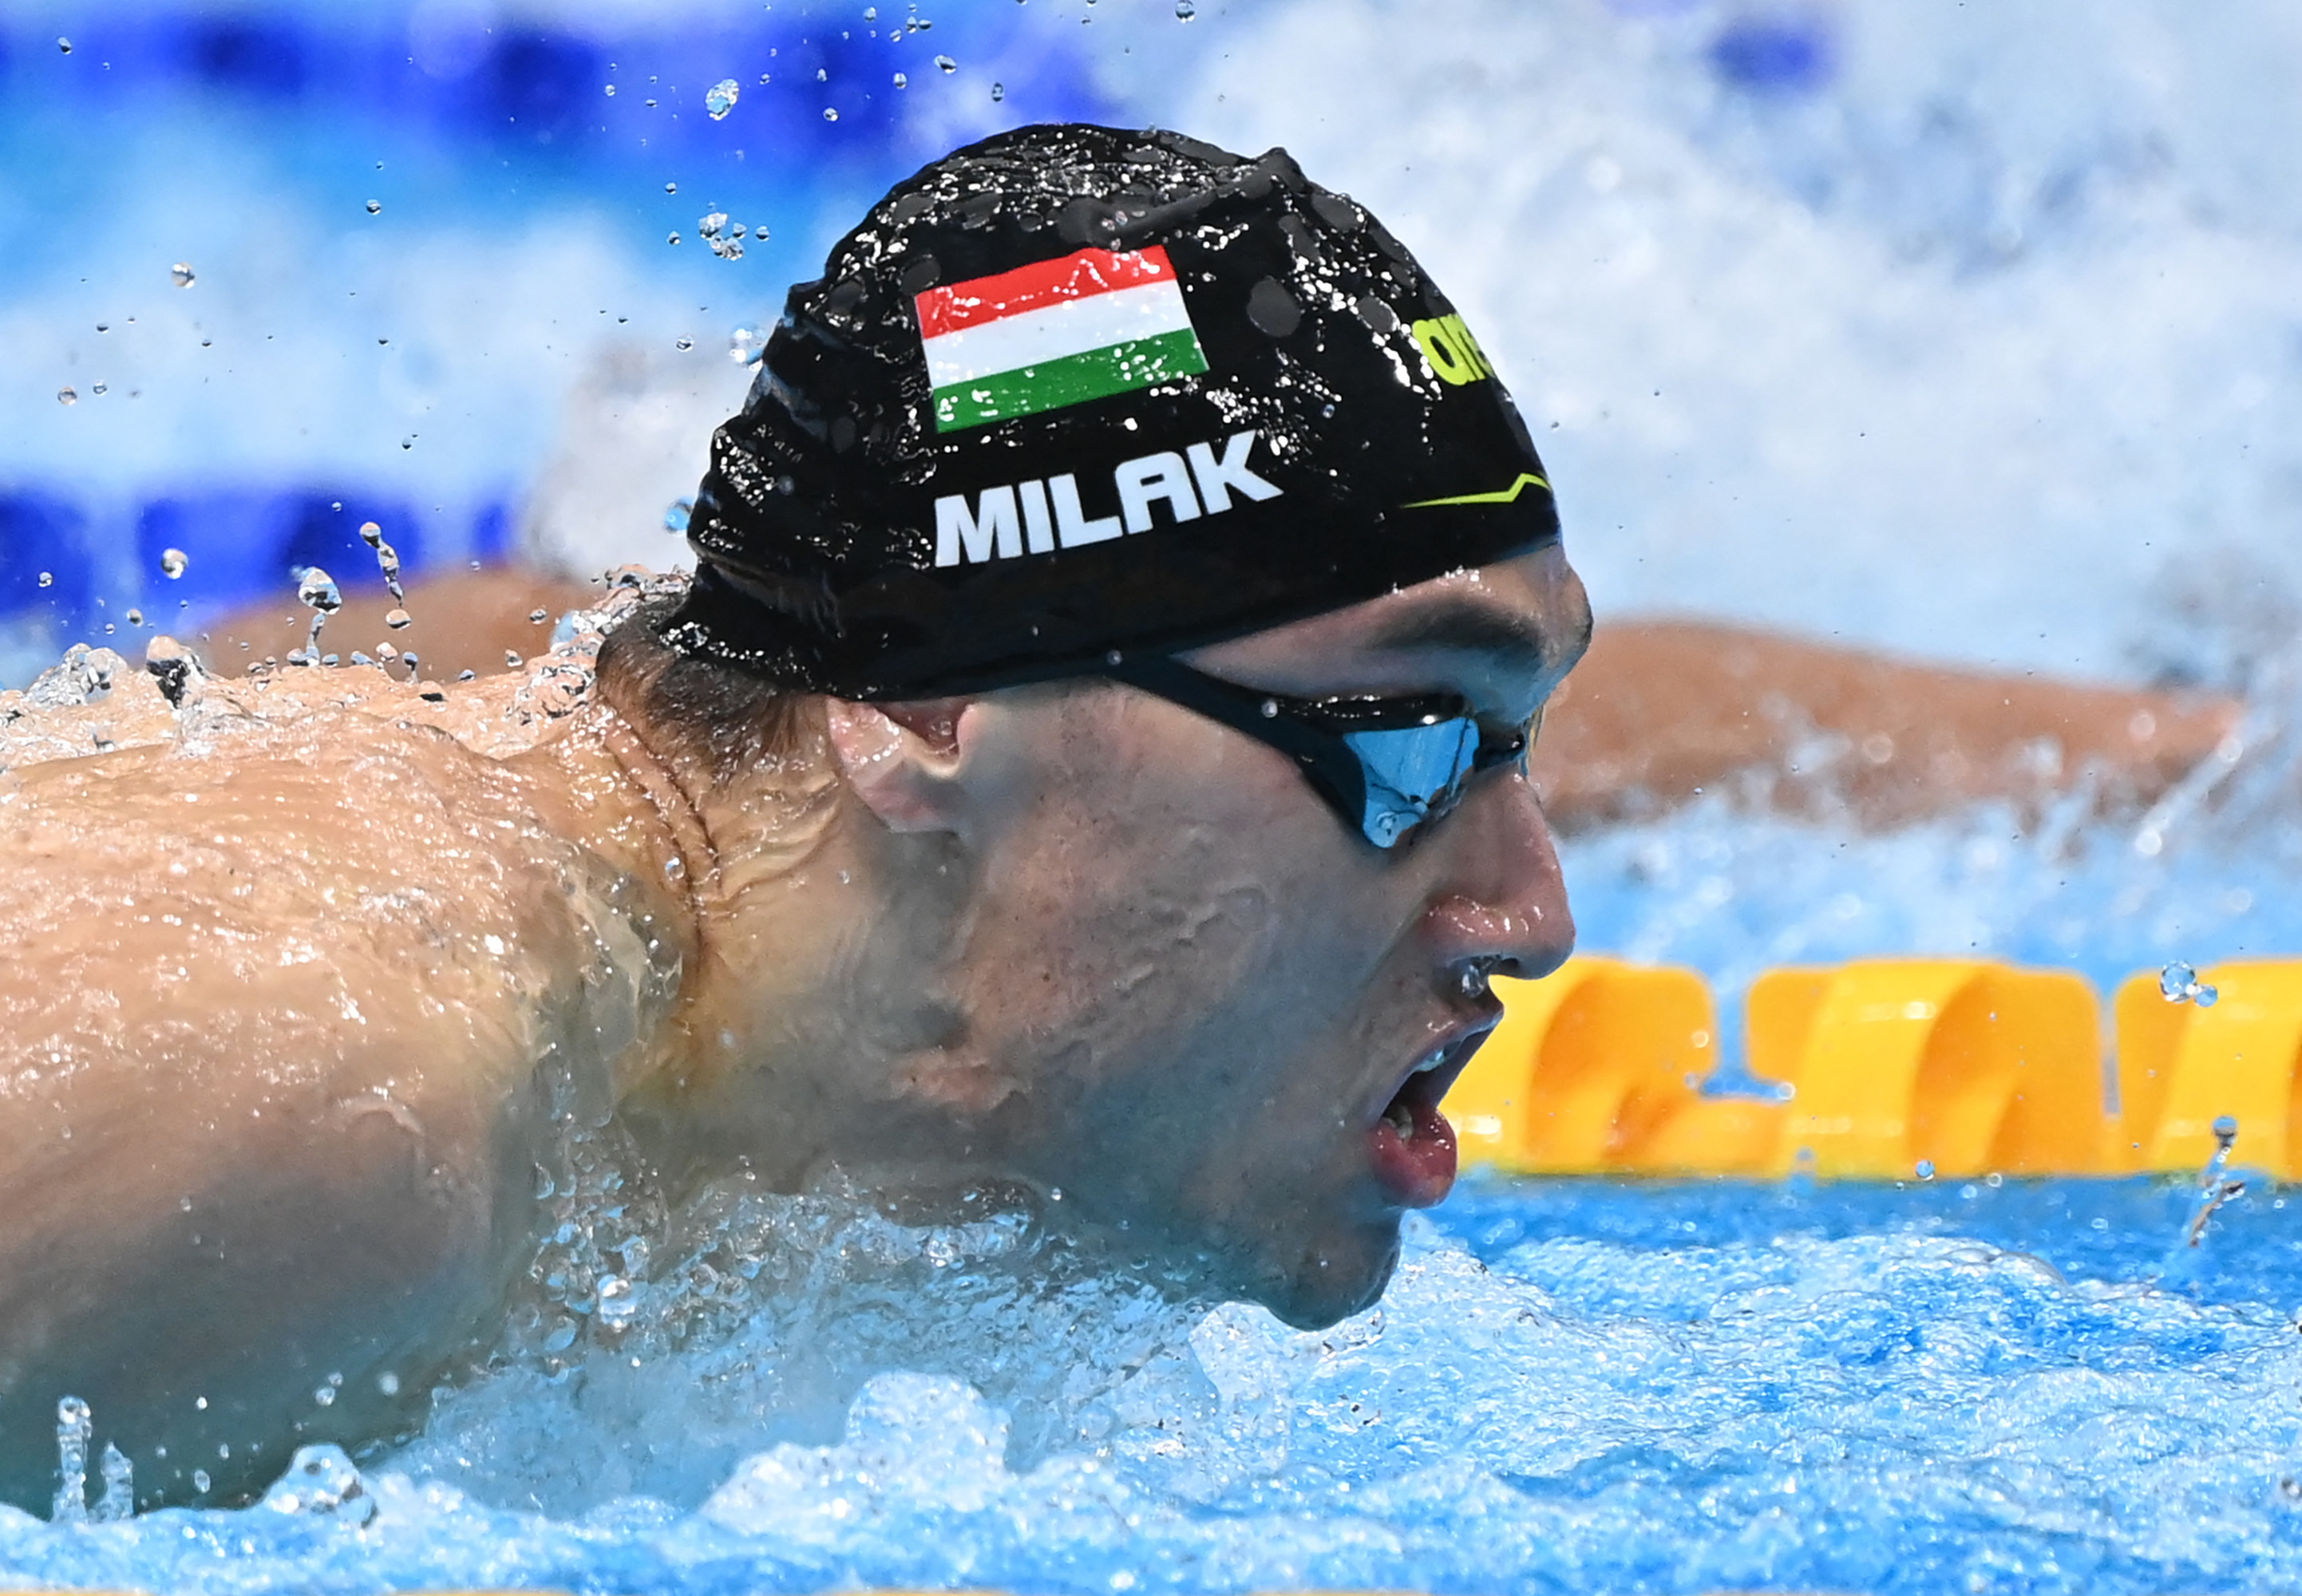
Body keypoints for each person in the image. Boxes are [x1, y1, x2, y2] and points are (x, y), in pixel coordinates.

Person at [0, 124, 1588, 1512]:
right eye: (1412, 742)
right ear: (925, 714)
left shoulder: (745, 1097)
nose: (1535, 912)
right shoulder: (312, 1091)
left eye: (1518, 744)